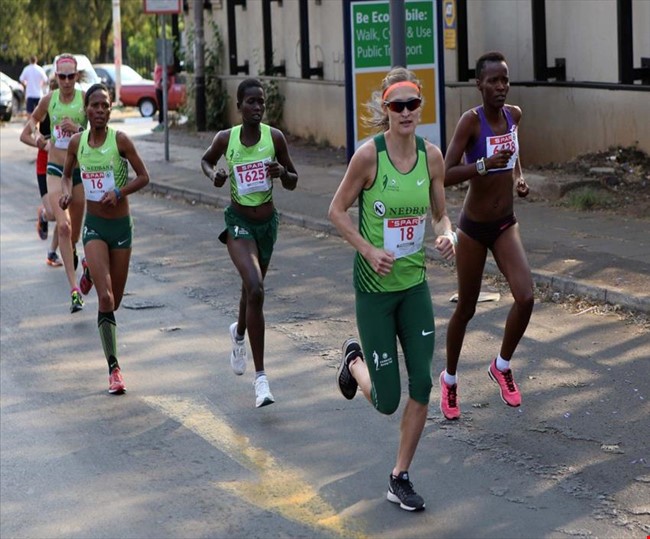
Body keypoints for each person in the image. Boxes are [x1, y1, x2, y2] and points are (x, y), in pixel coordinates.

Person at [328, 67, 456, 512]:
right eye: (397, 105)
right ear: (386, 109)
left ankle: (399, 476)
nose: (405, 112)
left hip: (414, 286)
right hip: (375, 291)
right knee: (386, 401)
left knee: (423, 382)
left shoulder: (432, 157)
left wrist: (447, 235)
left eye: (412, 104)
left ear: (420, 107)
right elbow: (336, 210)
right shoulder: (369, 157)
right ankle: (354, 362)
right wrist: (367, 250)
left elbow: (440, 215)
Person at [440, 51, 533, 421]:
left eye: (505, 80)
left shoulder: (514, 115)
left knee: (525, 296)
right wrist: (481, 165)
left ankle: (501, 365)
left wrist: (518, 177)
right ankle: (449, 380)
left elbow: (513, 149)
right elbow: (445, 174)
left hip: (505, 223)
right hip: (474, 229)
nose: (501, 86)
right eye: (493, 80)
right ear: (479, 84)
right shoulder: (471, 122)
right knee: (466, 308)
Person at [200, 78, 298, 408]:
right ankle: (261, 380)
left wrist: (281, 173)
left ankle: (239, 332)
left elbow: (294, 180)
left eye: (261, 102)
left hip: (266, 226)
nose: (257, 107)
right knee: (255, 289)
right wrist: (214, 175)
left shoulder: (275, 138)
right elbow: (206, 160)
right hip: (238, 223)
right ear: (239, 105)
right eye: (251, 102)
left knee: (250, 290)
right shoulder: (226, 139)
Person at [59, 83, 150, 394]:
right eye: (94, 105)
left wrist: (120, 192)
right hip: (95, 226)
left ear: (111, 110)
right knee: (106, 299)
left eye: (105, 106)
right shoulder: (77, 143)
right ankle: (114, 369)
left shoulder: (120, 140)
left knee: (116, 302)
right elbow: (66, 175)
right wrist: (67, 194)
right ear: (86, 109)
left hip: (121, 228)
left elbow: (144, 177)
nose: (99, 110)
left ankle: (88, 272)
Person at [25, 53, 88, 313]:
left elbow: (99, 133)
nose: (66, 81)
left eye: (70, 76)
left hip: (78, 172)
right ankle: (74, 290)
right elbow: (29, 128)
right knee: (63, 226)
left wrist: (78, 130)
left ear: (77, 76)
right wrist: (41, 142)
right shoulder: (49, 100)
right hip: (55, 170)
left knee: (74, 235)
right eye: (62, 76)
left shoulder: (85, 99)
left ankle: (74, 256)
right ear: (56, 77)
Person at [20, 77, 62, 266]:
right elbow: (25, 135)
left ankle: (52, 252)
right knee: (53, 214)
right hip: (45, 167)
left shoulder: (73, 112)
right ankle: (44, 214)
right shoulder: (44, 111)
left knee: (64, 215)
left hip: (64, 166)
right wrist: (42, 145)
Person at [152, 62, 174, 132]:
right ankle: (162, 122)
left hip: (162, 85)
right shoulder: (159, 62)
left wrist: (161, 80)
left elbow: (168, 71)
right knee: (161, 105)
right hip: (159, 85)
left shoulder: (164, 61)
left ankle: (162, 123)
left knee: (162, 105)